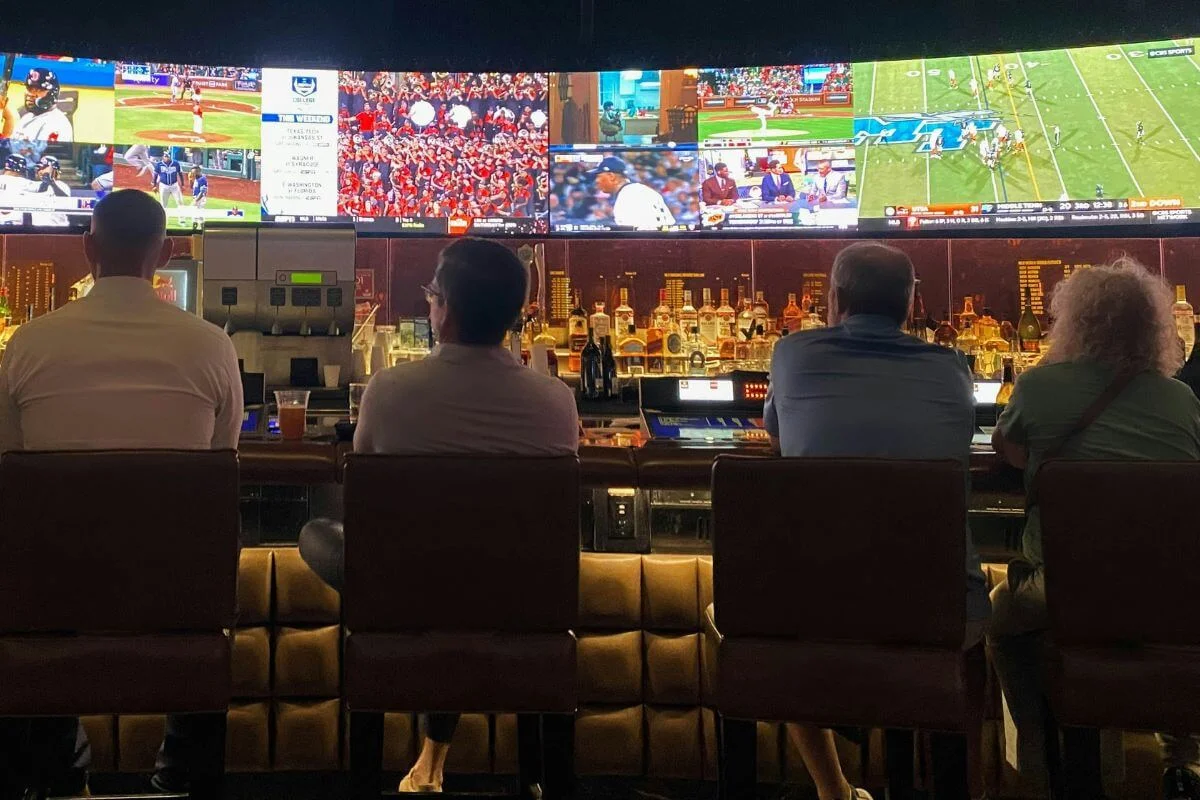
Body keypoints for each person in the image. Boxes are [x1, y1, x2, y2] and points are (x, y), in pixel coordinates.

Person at [298, 238, 578, 794]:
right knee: (465, 569)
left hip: (402, 602)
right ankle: (457, 762)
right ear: (515, 314)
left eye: (431, 296)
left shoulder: (390, 391)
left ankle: (414, 748)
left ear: (443, 307)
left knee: (316, 534)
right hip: (523, 609)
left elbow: (367, 490)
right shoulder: (555, 402)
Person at [0, 189, 243, 798]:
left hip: (50, 597)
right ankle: (182, 778)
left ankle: (58, 777)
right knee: (203, 559)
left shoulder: (25, 345)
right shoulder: (212, 344)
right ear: (164, 253)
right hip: (181, 598)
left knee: (31, 563)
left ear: (87, 248)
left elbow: (12, 464)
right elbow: (220, 461)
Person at [761, 242, 991, 800]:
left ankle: (833, 789)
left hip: (816, 613)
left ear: (833, 298)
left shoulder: (791, 354)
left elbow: (777, 435)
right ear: (912, 307)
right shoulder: (951, 367)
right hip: (940, 613)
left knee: (765, 610)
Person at [989, 258, 1200, 800]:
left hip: (1064, 593)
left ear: (1073, 323)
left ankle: (1038, 762)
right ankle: (1180, 760)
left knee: (996, 616)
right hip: (1172, 600)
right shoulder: (1180, 400)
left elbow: (1008, 452)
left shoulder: (1039, 387)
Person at [587, 156, 676, 230]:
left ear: (611, 176)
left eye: (598, 176)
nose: (597, 181)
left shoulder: (626, 197)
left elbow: (631, 238)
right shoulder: (645, 190)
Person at [11, 68, 73, 143]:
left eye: (38, 90)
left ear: (53, 93)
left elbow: (46, 153)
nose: (31, 94)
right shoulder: (26, 118)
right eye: (29, 88)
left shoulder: (58, 123)